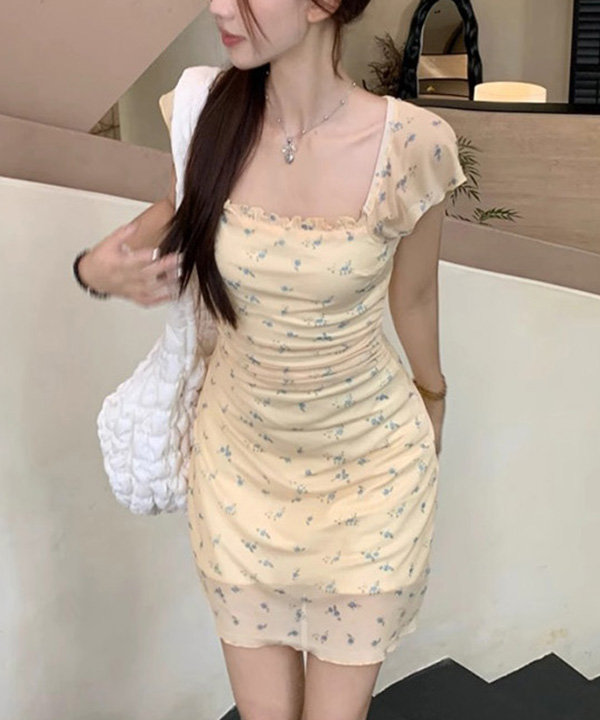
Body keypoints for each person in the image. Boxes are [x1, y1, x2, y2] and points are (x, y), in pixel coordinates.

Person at [74, 1, 467, 718]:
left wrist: (433, 398)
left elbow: (414, 297)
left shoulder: (414, 144)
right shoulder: (204, 113)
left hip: (369, 482)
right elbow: (163, 222)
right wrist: (93, 270)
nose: (220, 6)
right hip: (239, 477)